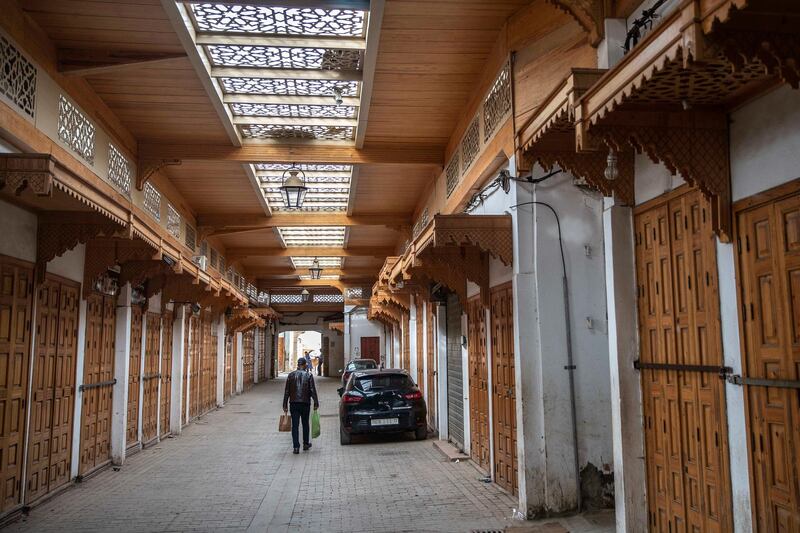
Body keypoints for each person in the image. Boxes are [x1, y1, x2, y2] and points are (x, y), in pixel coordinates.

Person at [283, 357, 319, 454]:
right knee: (305, 424)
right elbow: (312, 390)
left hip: (293, 403)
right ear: (305, 365)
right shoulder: (308, 375)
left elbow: (287, 391)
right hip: (305, 403)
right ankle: (306, 444)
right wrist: (316, 402)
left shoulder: (291, 375)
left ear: (298, 365)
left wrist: (285, 405)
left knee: (295, 426)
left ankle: (296, 447)